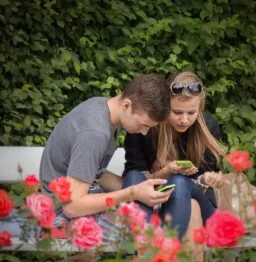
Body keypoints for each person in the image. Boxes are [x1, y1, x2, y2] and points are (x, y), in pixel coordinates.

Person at [39, 73, 174, 243]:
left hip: (79, 201)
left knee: (151, 217)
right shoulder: (95, 133)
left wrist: (140, 189)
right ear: (127, 105)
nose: (144, 131)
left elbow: (96, 173)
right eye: (144, 124)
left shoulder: (103, 108)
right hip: (59, 214)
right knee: (146, 232)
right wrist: (132, 192)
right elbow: (72, 207)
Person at [123, 71, 226, 240]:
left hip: (196, 197)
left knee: (178, 182)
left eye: (191, 113)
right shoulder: (144, 125)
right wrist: (166, 171)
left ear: (200, 108)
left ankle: (165, 252)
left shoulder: (207, 126)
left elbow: (206, 178)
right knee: (134, 176)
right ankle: (147, 244)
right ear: (165, 106)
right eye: (177, 112)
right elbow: (136, 174)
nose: (184, 120)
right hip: (151, 197)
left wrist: (209, 178)